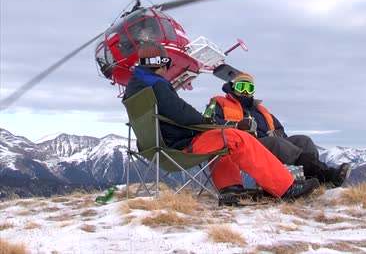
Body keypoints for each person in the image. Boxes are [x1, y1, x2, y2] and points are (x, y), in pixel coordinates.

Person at [122, 41, 319, 199]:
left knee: (221, 139)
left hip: (156, 145)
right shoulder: (157, 85)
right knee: (236, 137)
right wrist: (205, 123)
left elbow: (172, 113)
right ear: (162, 63)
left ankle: (230, 188)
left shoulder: (136, 86)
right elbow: (181, 112)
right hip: (178, 146)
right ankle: (286, 187)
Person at [205, 73, 351, 187]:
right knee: (276, 143)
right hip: (241, 146)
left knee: (303, 140)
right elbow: (209, 122)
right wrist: (236, 125)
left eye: (249, 88)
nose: (244, 91)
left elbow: (280, 130)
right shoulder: (220, 103)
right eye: (241, 87)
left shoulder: (261, 110)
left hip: (266, 145)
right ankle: (326, 175)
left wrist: (278, 133)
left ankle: (312, 182)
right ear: (232, 87)